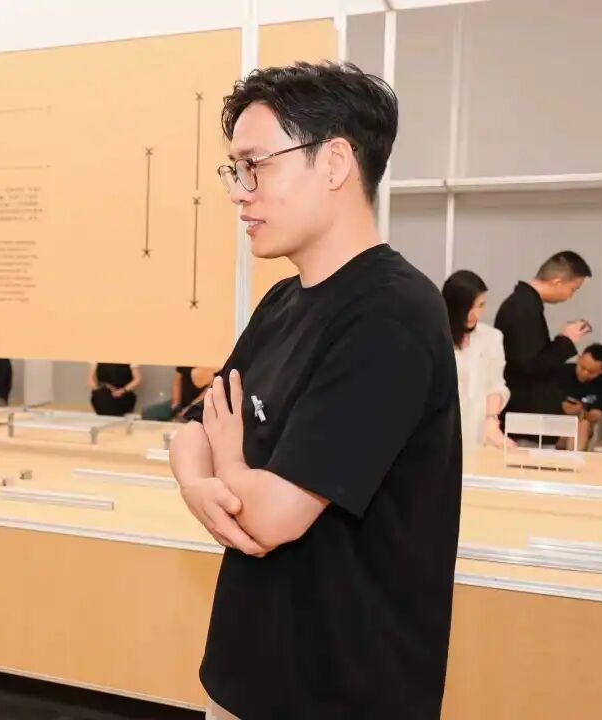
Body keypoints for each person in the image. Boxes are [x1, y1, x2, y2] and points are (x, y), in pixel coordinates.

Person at [171, 62, 461, 719]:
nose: (239, 192)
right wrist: (195, 482)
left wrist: (230, 464)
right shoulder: (282, 303)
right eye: (234, 170)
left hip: (340, 692)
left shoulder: (391, 316)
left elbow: (273, 517)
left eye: (256, 166)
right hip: (246, 672)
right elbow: (192, 430)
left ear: (333, 163)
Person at [494, 251, 593, 421]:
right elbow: (530, 366)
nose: (571, 296)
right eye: (572, 289)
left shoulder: (525, 304)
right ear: (557, 282)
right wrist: (565, 340)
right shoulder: (523, 308)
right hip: (524, 414)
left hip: (526, 413)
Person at [442, 270, 513, 450]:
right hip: (441, 433)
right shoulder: (436, 337)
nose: (475, 314)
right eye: (468, 307)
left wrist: (491, 419)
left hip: (480, 431)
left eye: (481, 305)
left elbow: (496, 385)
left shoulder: (492, 337)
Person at [558, 343, 602, 451]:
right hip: (555, 422)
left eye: (591, 372)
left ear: (601, 370)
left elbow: (597, 414)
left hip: (580, 426)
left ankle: (573, 458)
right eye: (582, 367)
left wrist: (582, 412)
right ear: (579, 359)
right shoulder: (562, 372)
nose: (584, 373)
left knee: (583, 424)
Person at [142, 366, 217, 421]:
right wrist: (176, 403)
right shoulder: (189, 361)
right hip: (180, 403)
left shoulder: (218, 369)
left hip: (201, 408)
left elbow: (207, 392)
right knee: (148, 413)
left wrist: (190, 409)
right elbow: (177, 380)